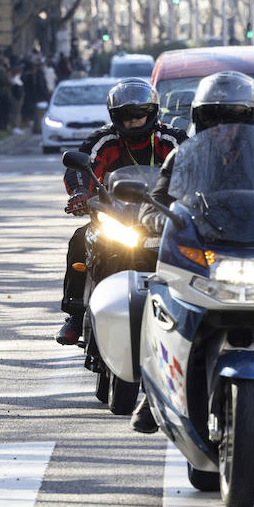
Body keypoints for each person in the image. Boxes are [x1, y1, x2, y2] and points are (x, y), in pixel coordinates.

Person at [131, 70, 254, 434]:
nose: (224, 127)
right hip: (205, 253)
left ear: (251, 120)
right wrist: (156, 219)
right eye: (214, 118)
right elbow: (156, 199)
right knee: (154, 300)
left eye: (234, 119)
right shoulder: (183, 157)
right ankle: (151, 389)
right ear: (201, 120)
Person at [56, 78, 185, 346]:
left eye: (141, 115)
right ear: (116, 117)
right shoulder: (104, 140)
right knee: (82, 239)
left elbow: (196, 167)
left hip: (161, 219)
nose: (135, 121)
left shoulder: (172, 140)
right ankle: (76, 313)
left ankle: (193, 307)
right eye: (127, 116)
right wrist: (80, 194)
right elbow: (80, 167)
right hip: (114, 219)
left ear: (152, 113)